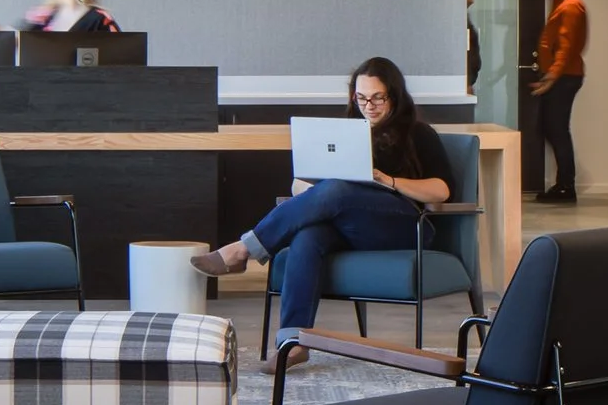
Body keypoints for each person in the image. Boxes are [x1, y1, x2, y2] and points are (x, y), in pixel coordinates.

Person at [192, 57, 452, 371]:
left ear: (395, 95)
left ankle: (243, 249)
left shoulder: (419, 134)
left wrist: (387, 180)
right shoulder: (346, 133)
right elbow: (301, 184)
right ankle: (294, 342)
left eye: (378, 97)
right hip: (351, 223)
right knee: (308, 234)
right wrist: (313, 189)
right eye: (361, 98)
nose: (368, 105)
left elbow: (441, 190)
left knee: (336, 191)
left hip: (406, 226)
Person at [533, 0, 587, 203]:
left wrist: (551, 77)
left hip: (564, 78)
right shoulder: (561, 4)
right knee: (551, 129)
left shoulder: (571, 7)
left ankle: (566, 187)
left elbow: (566, 48)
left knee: (557, 130)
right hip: (559, 76)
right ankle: (563, 184)